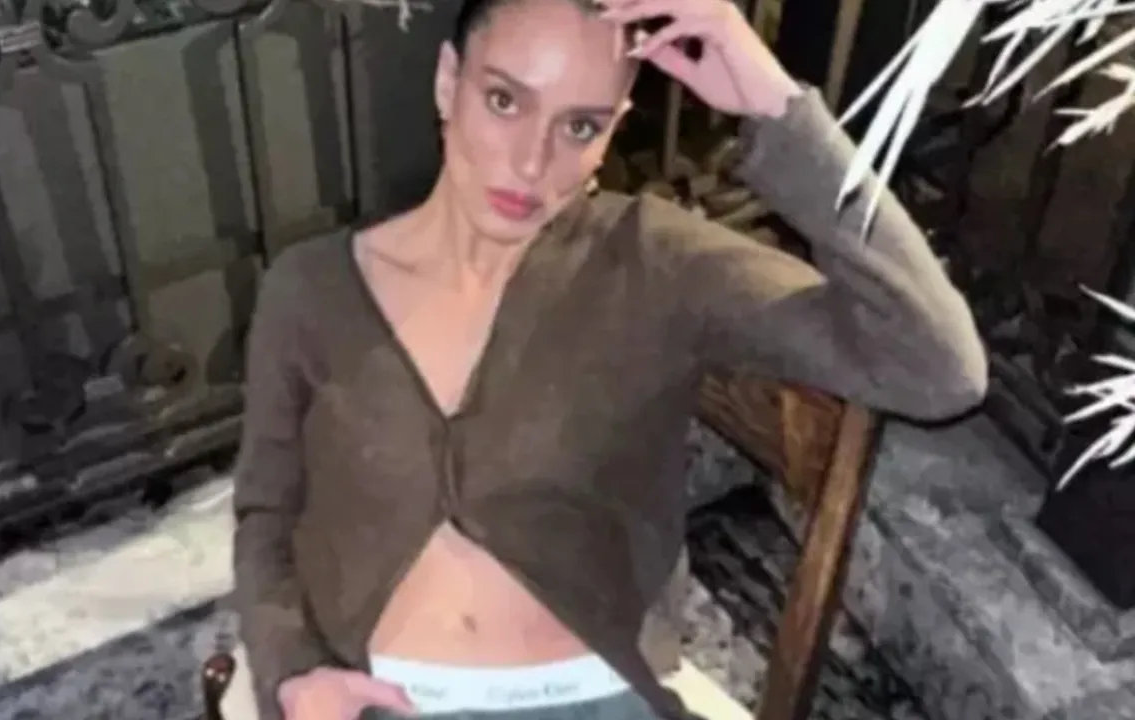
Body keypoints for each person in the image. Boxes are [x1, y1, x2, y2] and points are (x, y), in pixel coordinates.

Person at [226, 0, 987, 718]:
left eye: (580, 125)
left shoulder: (651, 260)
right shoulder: (311, 287)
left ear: (616, 127)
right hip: (379, 696)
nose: (532, 162)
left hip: (591, 698)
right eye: (504, 101)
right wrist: (292, 672)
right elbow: (266, 513)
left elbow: (937, 368)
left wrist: (772, 102)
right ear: (448, 81)